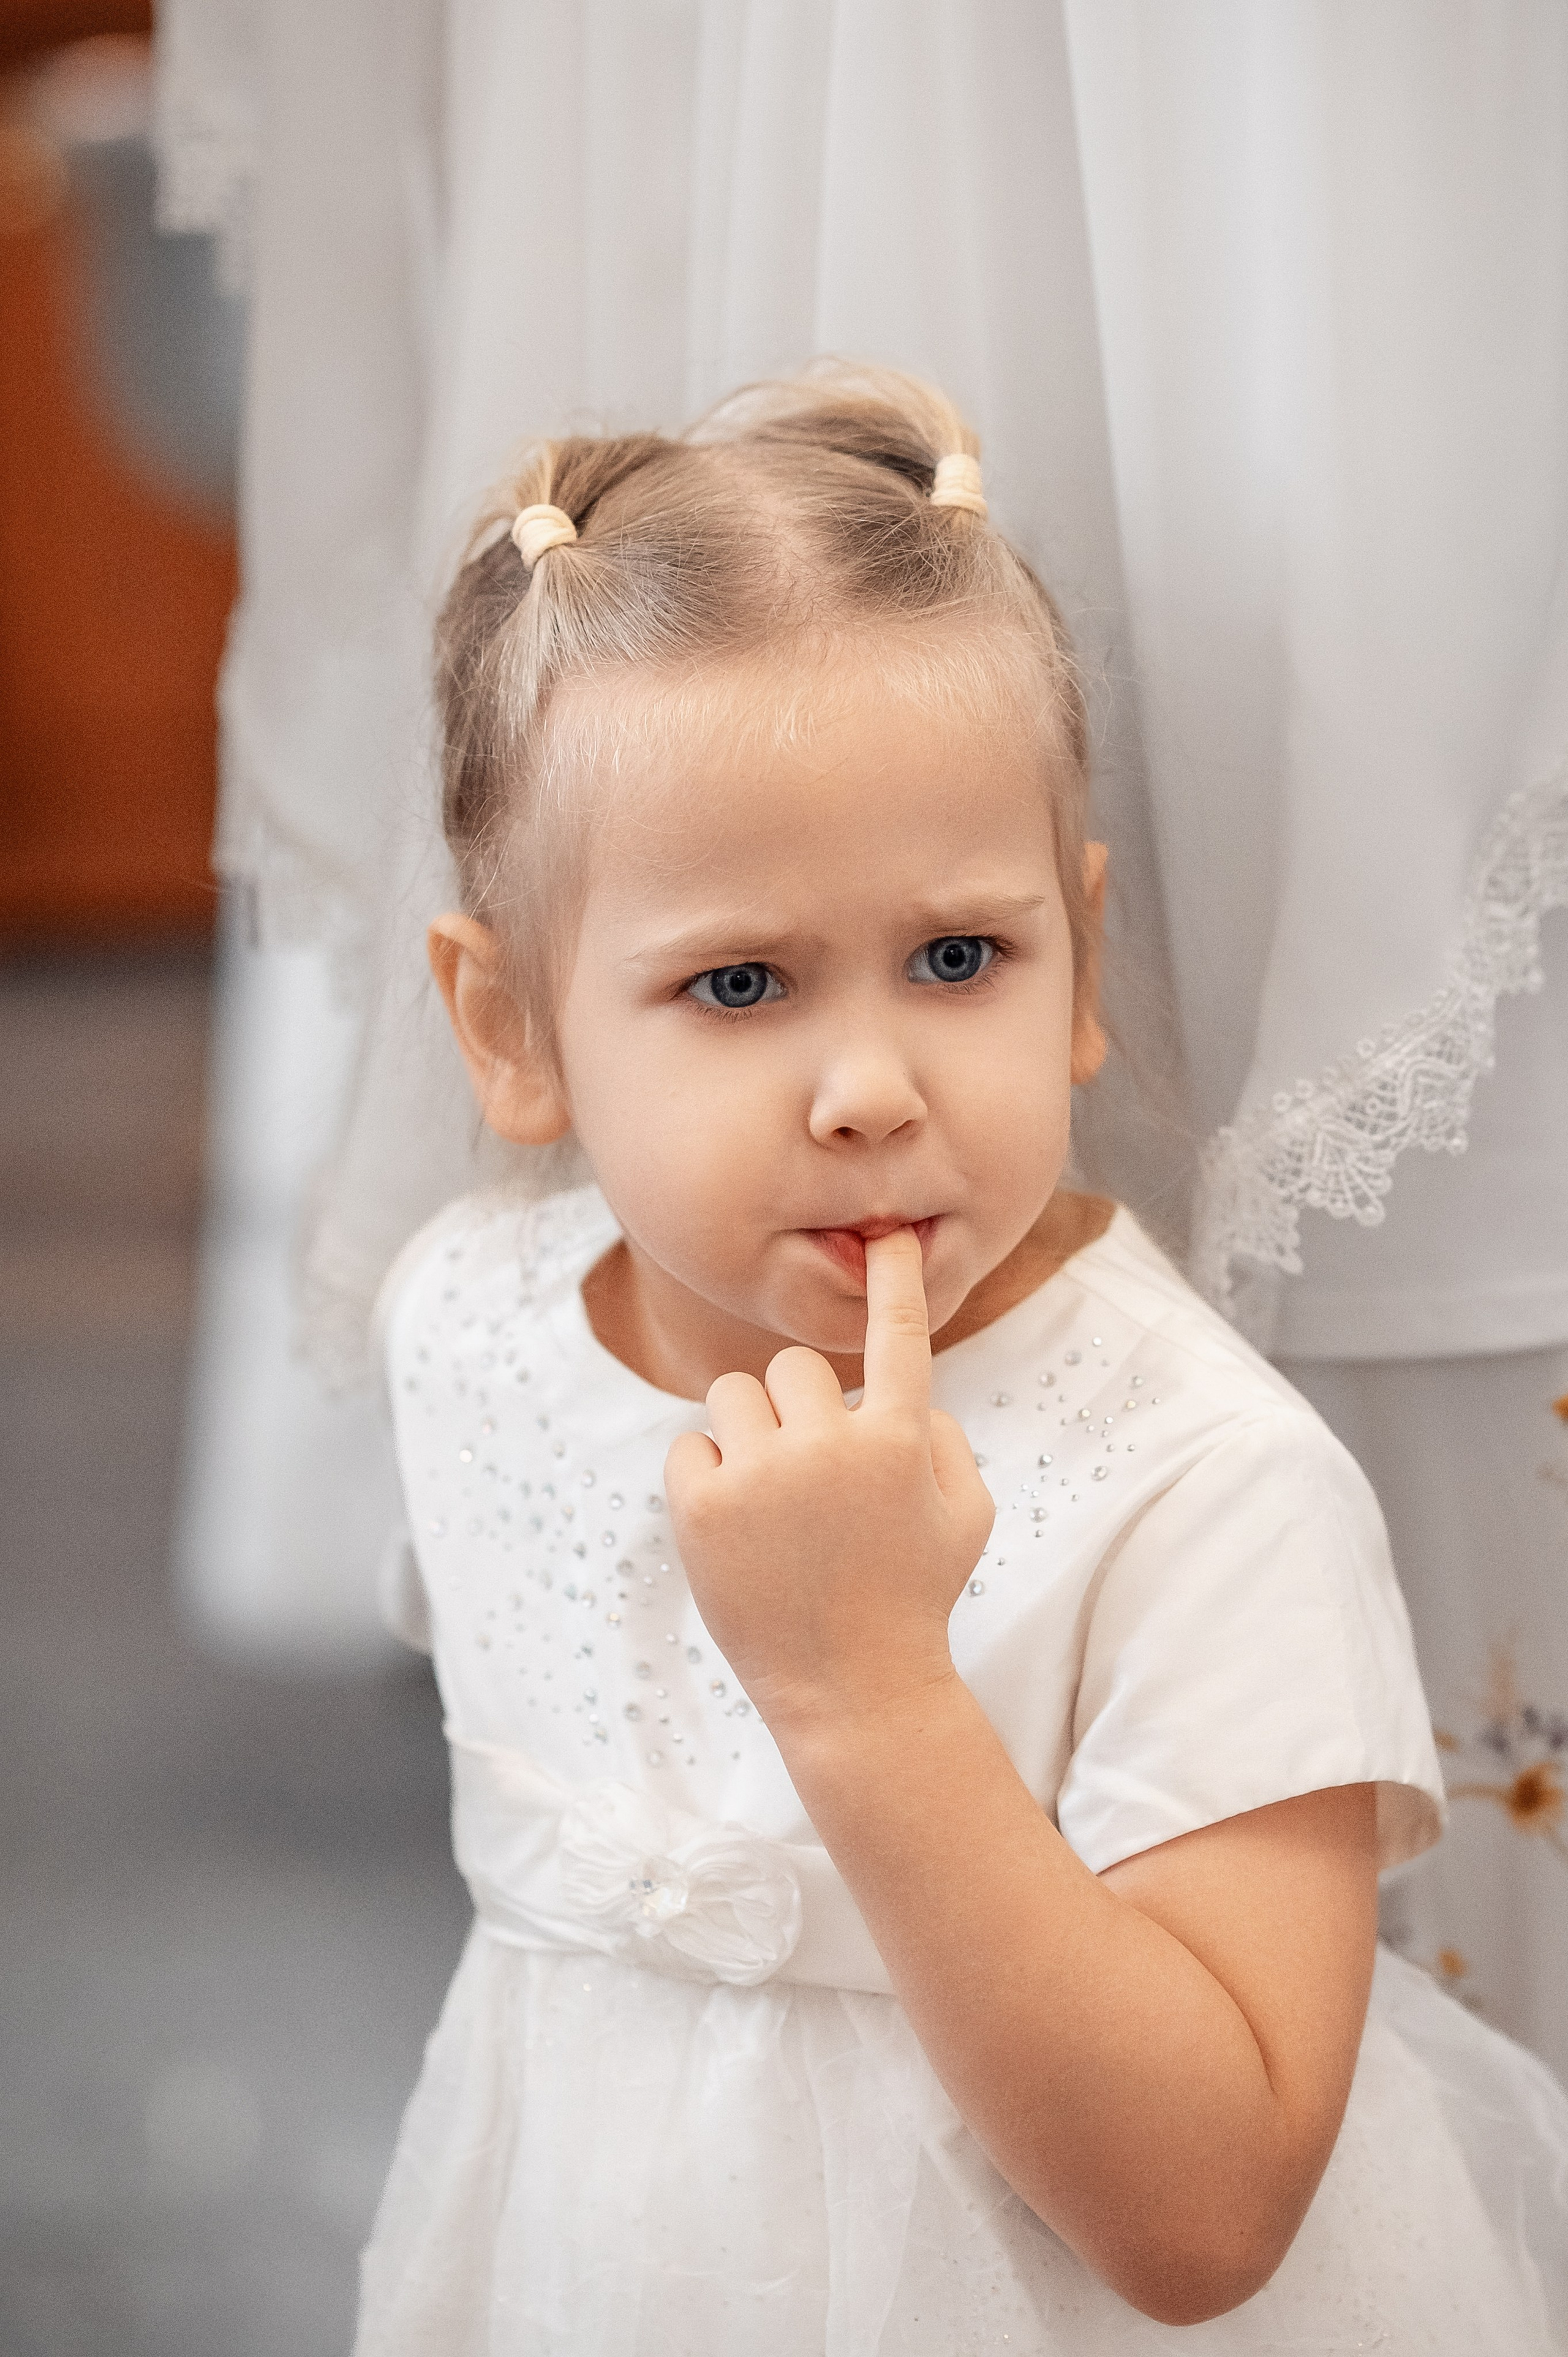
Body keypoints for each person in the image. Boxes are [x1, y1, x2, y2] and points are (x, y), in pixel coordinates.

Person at [354, 368, 1568, 2355]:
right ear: (513, 1029)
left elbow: (1208, 2219)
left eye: (954, 958)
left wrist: (867, 1693)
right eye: (739, 981)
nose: (868, 1085)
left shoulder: (1203, 1483)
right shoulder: (467, 1328)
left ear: (1076, 960)